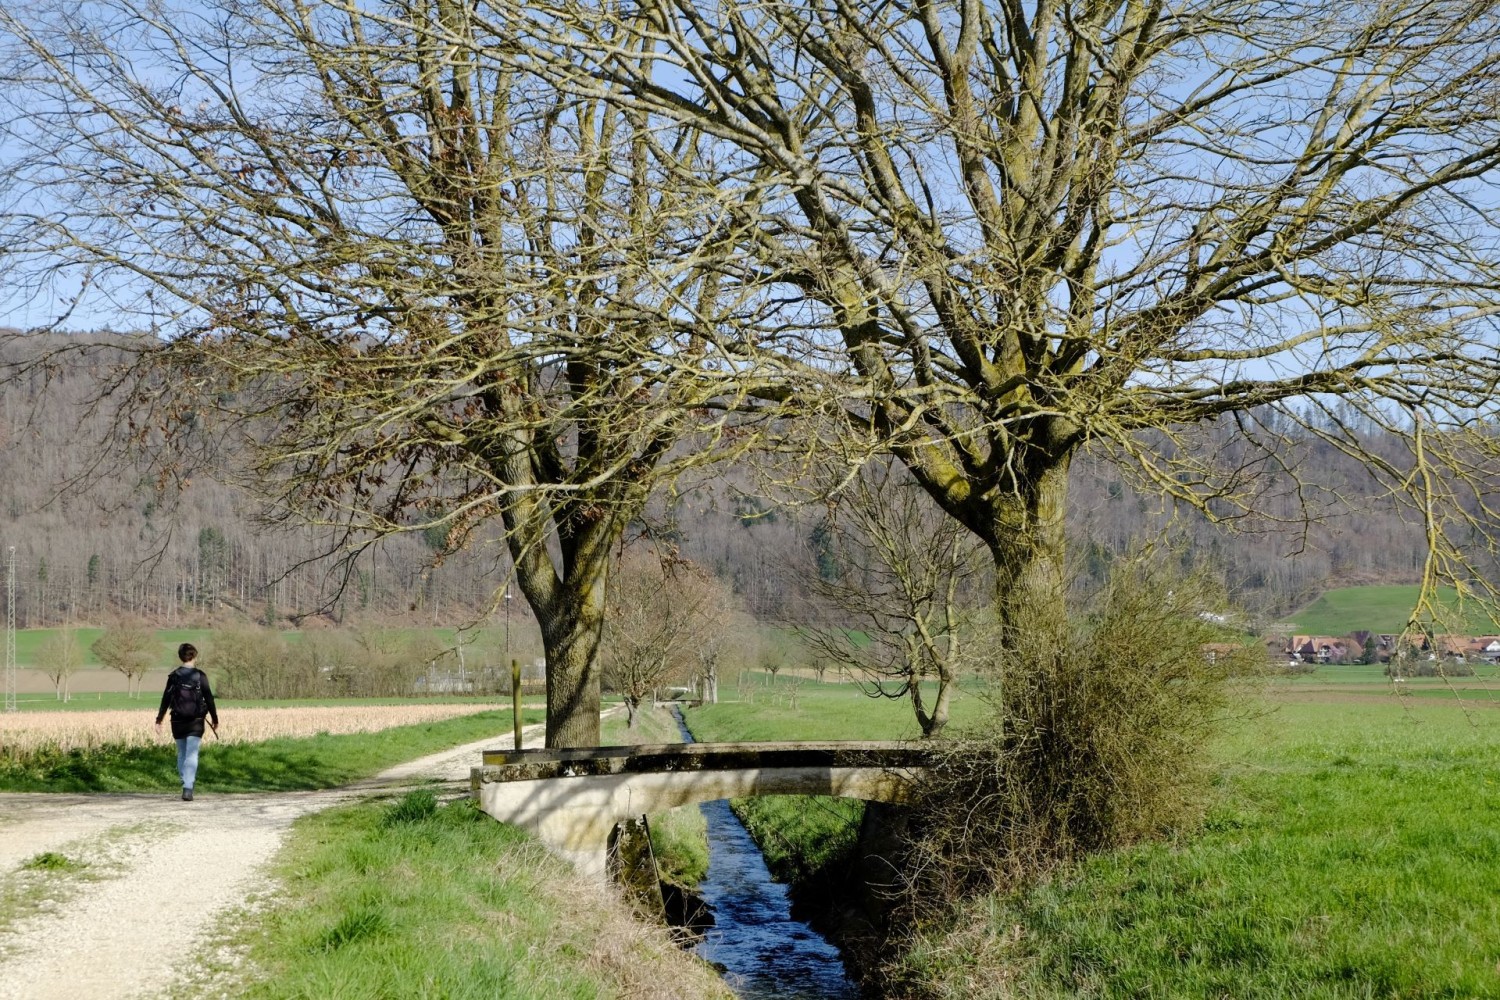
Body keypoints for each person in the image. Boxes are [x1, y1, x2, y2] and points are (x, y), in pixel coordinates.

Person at [154, 643, 219, 801]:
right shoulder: (200, 676)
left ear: (180, 657)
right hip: (196, 720)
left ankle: (186, 782)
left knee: (182, 753)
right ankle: (188, 787)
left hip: (177, 720)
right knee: (192, 753)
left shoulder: (174, 676)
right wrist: (214, 718)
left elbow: (166, 698)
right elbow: (209, 698)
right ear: (194, 656)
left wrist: (159, 719)